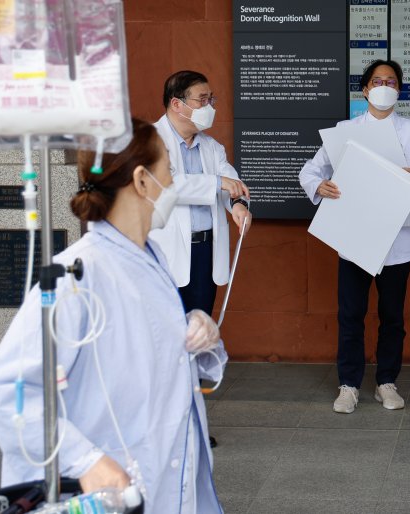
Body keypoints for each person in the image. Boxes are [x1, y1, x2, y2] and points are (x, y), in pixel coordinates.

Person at [0, 119, 227, 513]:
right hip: (115, 487)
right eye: (170, 172)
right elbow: (6, 393)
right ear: (144, 181)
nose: (174, 185)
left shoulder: (152, 259)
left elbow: (157, 358)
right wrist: (87, 460)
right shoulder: (76, 276)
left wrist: (202, 334)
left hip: (167, 476)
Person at [299, 59, 410, 414]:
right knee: (351, 314)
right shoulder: (345, 130)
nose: (384, 86)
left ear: (399, 90)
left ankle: (386, 382)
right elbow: (310, 171)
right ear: (364, 89)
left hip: (397, 241)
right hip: (355, 238)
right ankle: (348, 385)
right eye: (377, 81)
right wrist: (320, 185)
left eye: (391, 81)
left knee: (392, 316)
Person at [150, 71, 251, 446]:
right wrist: (217, 185)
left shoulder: (211, 147)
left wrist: (238, 203)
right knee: (164, 343)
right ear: (177, 104)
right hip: (166, 257)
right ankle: (161, 428)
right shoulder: (151, 140)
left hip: (204, 254)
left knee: (197, 340)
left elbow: (229, 179)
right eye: (202, 99)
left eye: (212, 99)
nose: (209, 106)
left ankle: (190, 425)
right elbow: (167, 185)